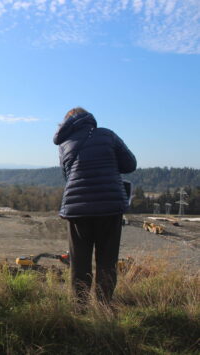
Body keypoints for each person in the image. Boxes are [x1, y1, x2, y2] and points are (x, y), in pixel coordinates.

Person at [53, 107, 136, 307]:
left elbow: (68, 176)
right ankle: (103, 307)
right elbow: (130, 164)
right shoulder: (107, 135)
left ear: (66, 124)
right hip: (109, 208)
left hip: (78, 210)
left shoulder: (65, 144)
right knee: (107, 261)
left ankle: (80, 308)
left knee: (79, 263)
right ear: (89, 119)